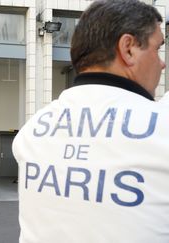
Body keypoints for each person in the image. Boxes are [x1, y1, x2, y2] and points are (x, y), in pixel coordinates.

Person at [12, 0, 167, 242]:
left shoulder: (33, 130)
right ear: (128, 48)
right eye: (157, 49)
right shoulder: (161, 129)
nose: (162, 63)